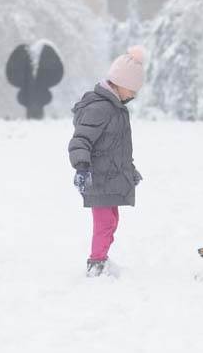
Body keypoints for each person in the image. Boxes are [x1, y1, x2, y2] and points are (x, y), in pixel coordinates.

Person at [68, 45, 147, 277]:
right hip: (97, 178)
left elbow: (117, 150)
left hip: (110, 177)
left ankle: (101, 260)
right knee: (104, 224)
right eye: (132, 89)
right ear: (120, 83)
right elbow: (80, 140)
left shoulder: (115, 108)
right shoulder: (100, 109)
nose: (133, 95)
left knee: (111, 222)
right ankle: (96, 264)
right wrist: (81, 168)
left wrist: (129, 171)